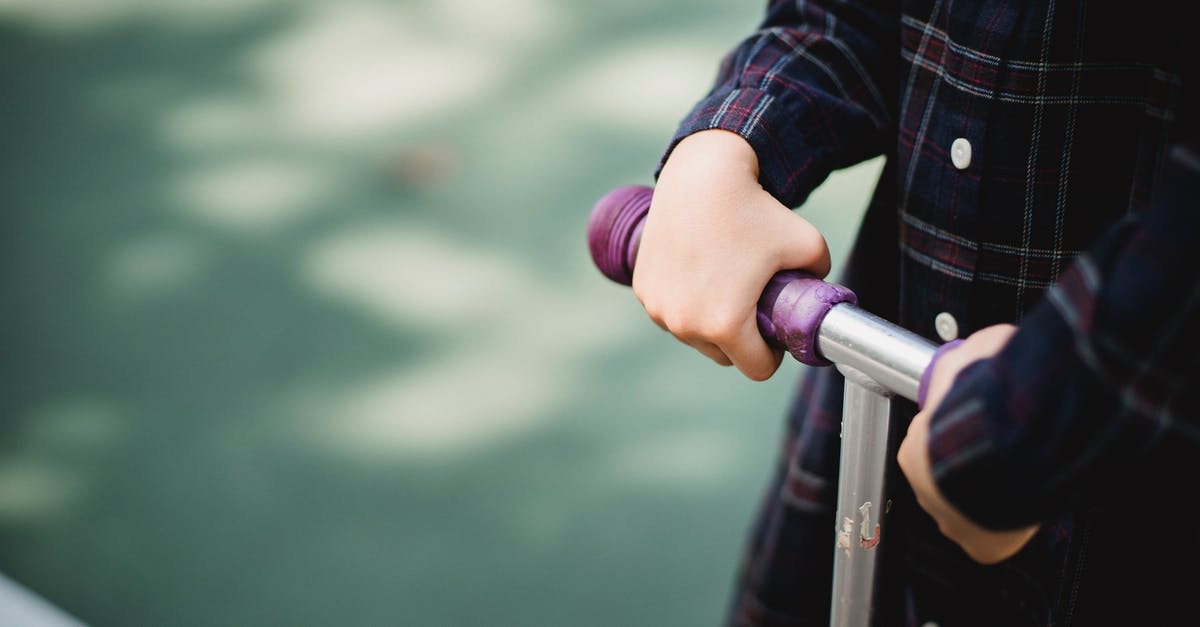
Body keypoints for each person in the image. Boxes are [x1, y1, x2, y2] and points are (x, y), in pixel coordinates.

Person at [631, 1, 1199, 625]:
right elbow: (844, 15)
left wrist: (1052, 404)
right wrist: (725, 144)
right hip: (895, 352)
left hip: (1129, 489)